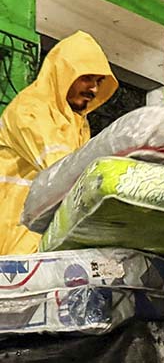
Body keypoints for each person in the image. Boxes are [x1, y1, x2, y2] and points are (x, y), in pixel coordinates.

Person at [0, 31, 118, 255]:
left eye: (99, 81)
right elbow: (65, 171)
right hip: (12, 233)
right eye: (87, 78)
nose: (94, 89)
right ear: (63, 74)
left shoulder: (78, 123)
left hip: (38, 236)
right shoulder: (31, 109)